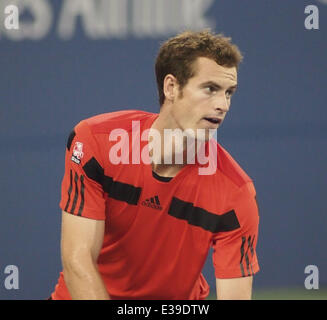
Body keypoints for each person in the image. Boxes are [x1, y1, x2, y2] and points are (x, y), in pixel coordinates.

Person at [50, 30, 260, 300]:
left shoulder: (236, 193)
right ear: (171, 87)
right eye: (210, 89)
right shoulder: (95, 143)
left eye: (229, 93)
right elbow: (77, 260)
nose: (223, 105)